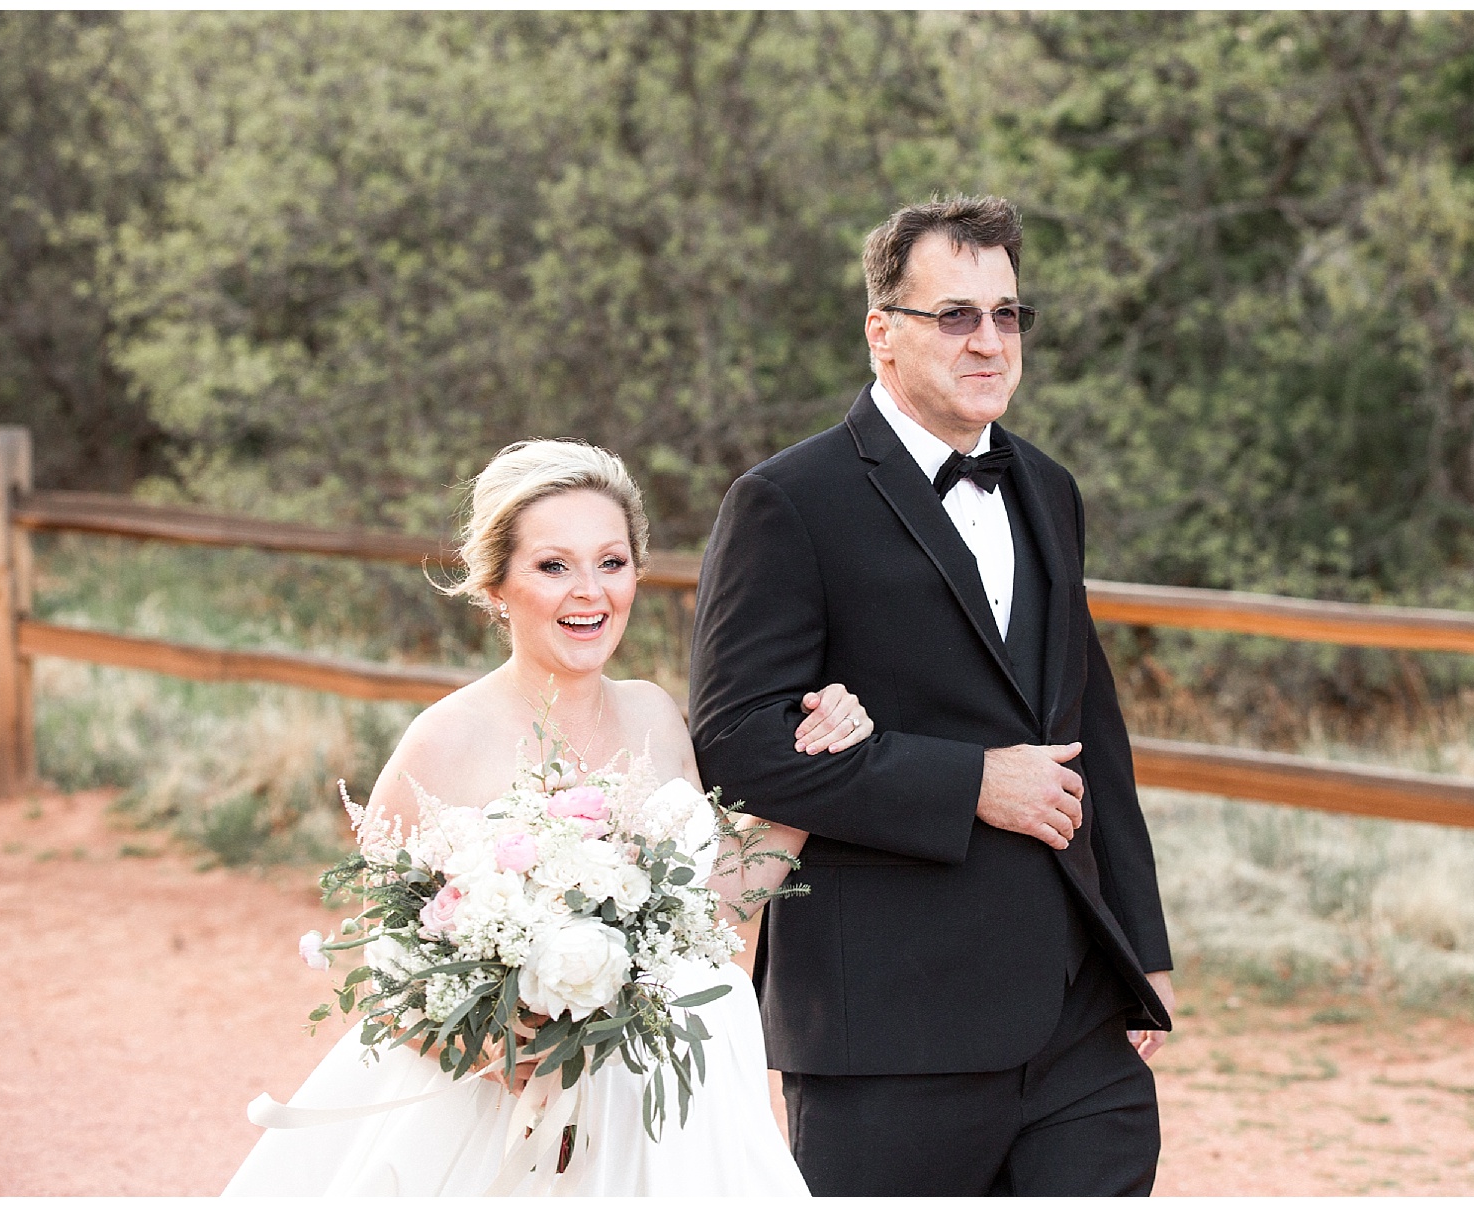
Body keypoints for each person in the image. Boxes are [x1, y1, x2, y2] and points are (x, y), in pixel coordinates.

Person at [687, 195, 1177, 1196]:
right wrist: (971, 783)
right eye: (955, 314)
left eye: (1008, 315)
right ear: (884, 332)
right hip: (888, 1026)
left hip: (1075, 1015)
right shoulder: (787, 501)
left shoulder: (1048, 487)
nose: (990, 340)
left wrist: (1142, 946)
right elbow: (737, 741)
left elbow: (1094, 727)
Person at [225, 439, 870, 1196]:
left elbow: (715, 918)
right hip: (502, 1122)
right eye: (553, 565)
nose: (590, 592)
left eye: (612, 562)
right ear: (496, 583)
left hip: (672, 1110)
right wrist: (503, 1048)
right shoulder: (443, 741)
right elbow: (388, 975)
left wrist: (815, 760)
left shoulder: (657, 716)